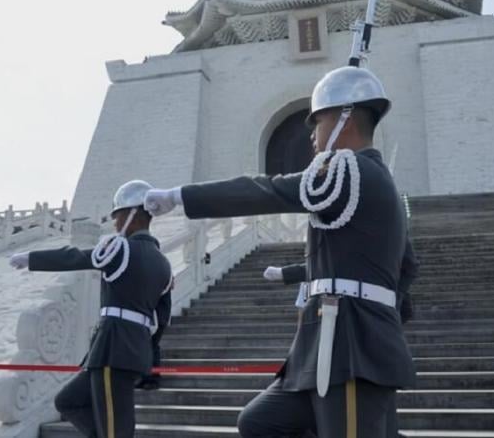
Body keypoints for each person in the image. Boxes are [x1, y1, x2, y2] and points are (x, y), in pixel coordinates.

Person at [144, 66, 415, 437]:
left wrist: (179, 196)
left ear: (344, 119)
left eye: (317, 122)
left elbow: (268, 190)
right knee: (259, 422)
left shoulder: (349, 169)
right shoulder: (377, 188)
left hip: (352, 346)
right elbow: (405, 269)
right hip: (324, 348)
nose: (313, 137)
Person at [9, 180, 172, 438]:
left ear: (133, 214)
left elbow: (76, 257)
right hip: (132, 348)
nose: (115, 223)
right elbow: (163, 318)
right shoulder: (164, 263)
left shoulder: (122, 249)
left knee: (116, 431)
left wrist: (32, 259)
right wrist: (146, 349)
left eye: (117, 216)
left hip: (114, 349)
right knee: (68, 401)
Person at [264, 238, 418, 438]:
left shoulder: (379, 222)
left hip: (366, 340)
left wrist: (388, 306)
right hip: (337, 335)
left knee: (377, 423)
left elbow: (408, 265)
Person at [137, 277, 172, 390]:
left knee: (152, 346)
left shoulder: (160, 278)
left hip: (157, 319)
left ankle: (153, 379)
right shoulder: (161, 275)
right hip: (155, 318)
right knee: (147, 347)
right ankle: (145, 377)